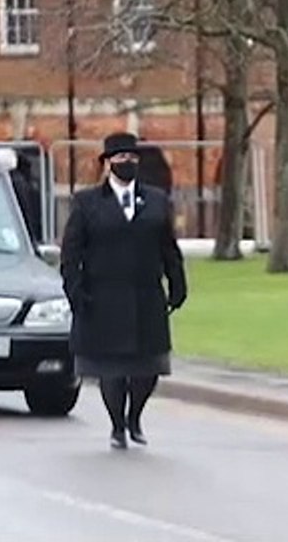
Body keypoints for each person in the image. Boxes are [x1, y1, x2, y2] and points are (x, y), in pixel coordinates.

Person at [59, 132, 188, 449]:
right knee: (112, 370)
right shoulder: (87, 203)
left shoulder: (156, 200)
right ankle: (117, 424)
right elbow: (71, 253)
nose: (126, 163)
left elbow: (168, 248)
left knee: (149, 368)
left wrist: (177, 282)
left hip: (146, 295)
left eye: (131, 158)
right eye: (119, 158)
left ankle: (135, 418)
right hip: (103, 297)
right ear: (107, 163)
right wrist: (75, 291)